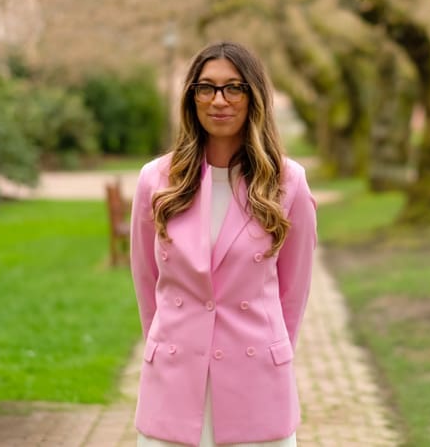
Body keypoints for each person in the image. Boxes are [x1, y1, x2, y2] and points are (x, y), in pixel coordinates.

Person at [129, 41, 317, 447]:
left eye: (234, 88)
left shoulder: (288, 183)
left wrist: (272, 356)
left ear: (254, 97)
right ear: (191, 97)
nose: (219, 100)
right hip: (174, 380)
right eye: (206, 87)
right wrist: (167, 347)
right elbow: (147, 284)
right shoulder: (156, 181)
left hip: (256, 384)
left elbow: (293, 293)